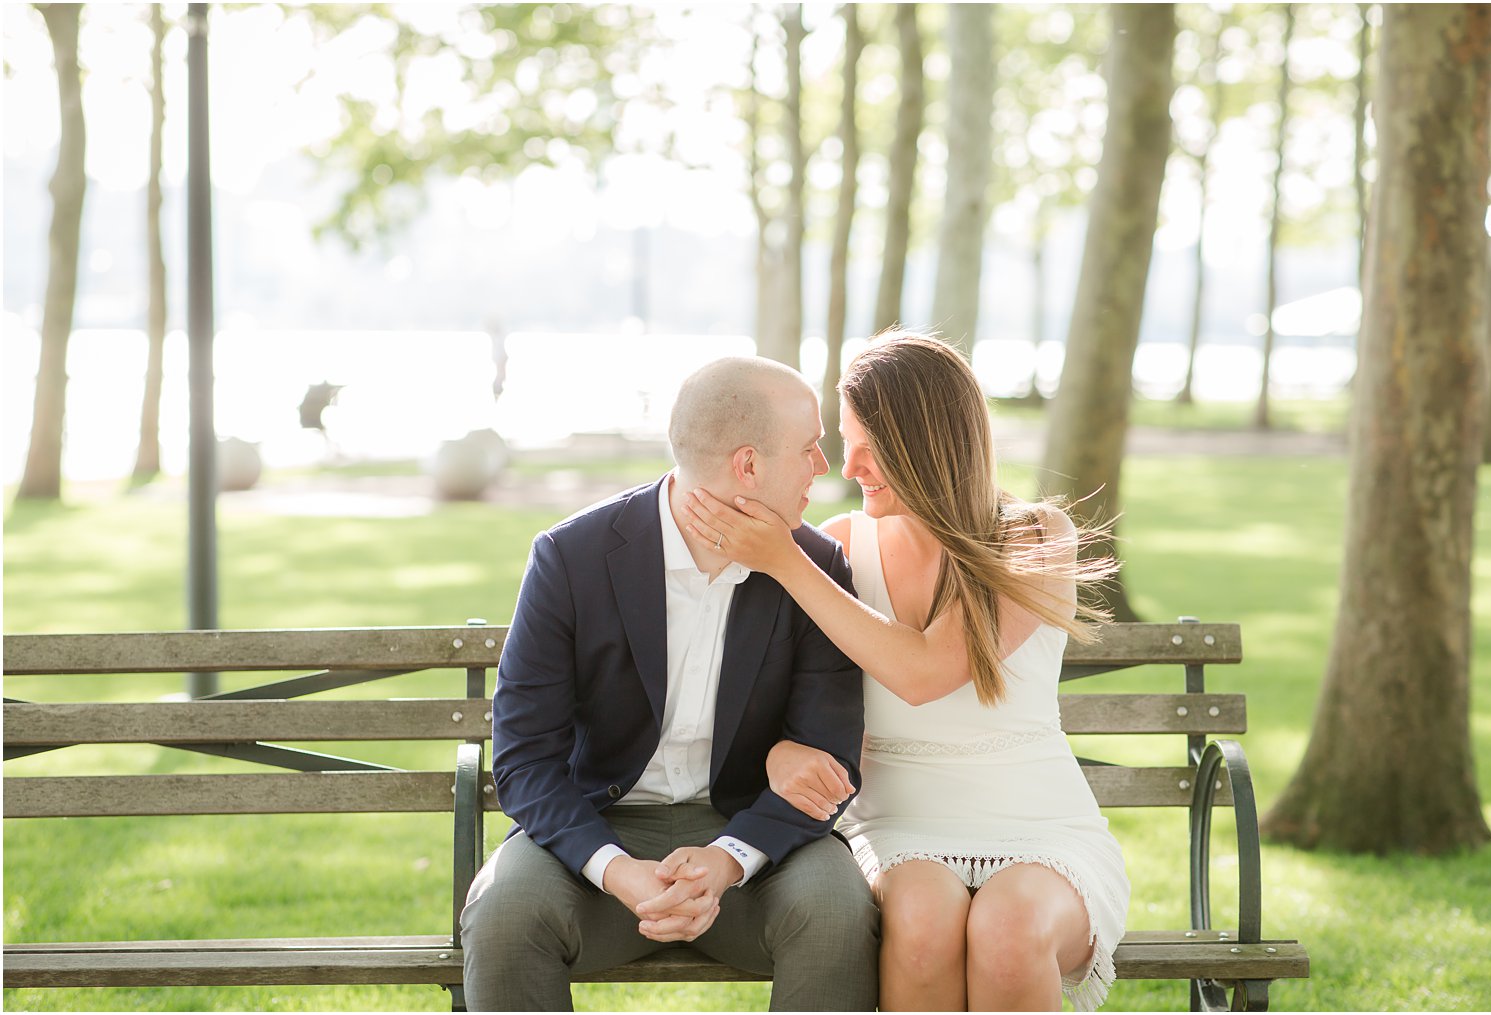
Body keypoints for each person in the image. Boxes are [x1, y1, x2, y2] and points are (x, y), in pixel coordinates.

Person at [682, 332, 1130, 1012]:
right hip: (894, 825)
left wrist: (786, 560)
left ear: (933, 441)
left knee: (1007, 931)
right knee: (920, 924)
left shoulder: (1033, 536)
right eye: (843, 439)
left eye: (872, 443)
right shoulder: (836, 547)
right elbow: (772, 706)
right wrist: (780, 750)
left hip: (1041, 827)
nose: (848, 464)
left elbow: (926, 672)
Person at [461, 356, 879, 1011]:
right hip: (596, 831)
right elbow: (524, 759)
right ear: (748, 465)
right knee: (504, 913)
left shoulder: (815, 567)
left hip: (752, 837)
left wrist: (729, 857)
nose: (822, 466)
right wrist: (616, 869)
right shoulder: (571, 558)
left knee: (837, 907)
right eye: (809, 448)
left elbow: (827, 756)